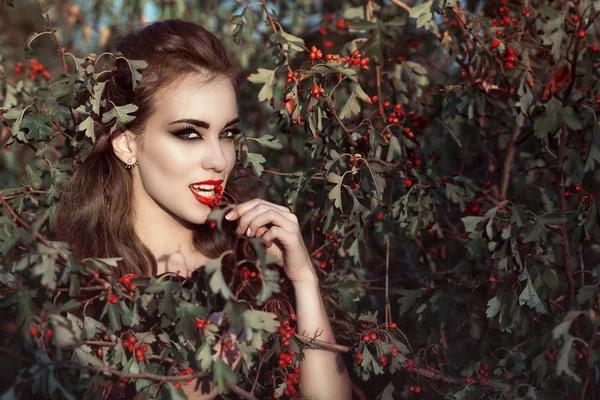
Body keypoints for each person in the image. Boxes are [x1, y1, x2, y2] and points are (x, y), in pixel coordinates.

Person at [52, 19, 352, 399]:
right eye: (189, 133)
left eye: (226, 134)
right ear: (127, 144)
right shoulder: (87, 295)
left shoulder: (251, 261)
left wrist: (304, 280)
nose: (219, 160)